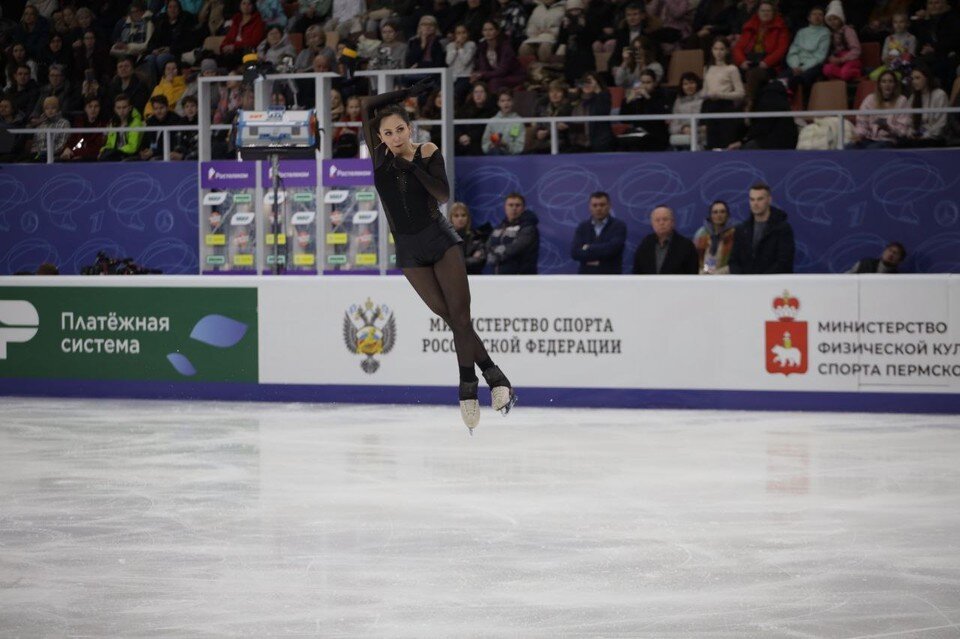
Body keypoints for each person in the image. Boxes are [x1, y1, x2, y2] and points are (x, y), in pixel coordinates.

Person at [361, 78, 516, 431]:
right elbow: (370, 104)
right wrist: (405, 94)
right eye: (388, 132)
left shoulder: (427, 151)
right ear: (380, 136)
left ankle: (467, 390)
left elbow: (443, 194)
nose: (395, 136)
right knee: (449, 318)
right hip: (409, 251)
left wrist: (411, 166)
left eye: (400, 129)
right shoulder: (378, 152)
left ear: (409, 128)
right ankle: (497, 376)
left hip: (441, 240)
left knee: (461, 317)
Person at [728, 182, 795, 274]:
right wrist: (743, 281)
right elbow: (733, 261)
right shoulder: (741, 229)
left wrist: (761, 281)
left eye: (760, 199)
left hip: (774, 284)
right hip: (746, 285)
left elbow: (784, 262)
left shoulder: (782, 228)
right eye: (752, 199)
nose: (755, 203)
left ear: (769, 200)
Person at [732, 0, 791, 100]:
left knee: (753, 73)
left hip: (769, 65)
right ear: (758, 12)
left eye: (768, 11)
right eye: (763, 11)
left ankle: (750, 104)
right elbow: (738, 47)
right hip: (749, 61)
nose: (765, 13)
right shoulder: (750, 26)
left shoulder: (781, 27)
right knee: (731, 70)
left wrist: (766, 62)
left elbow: (781, 50)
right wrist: (742, 61)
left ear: (773, 13)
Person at [846, 70, 910, 149]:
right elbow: (862, 122)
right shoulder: (870, 99)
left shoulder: (902, 100)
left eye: (890, 81)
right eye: (884, 81)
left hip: (889, 140)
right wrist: (859, 135)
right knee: (849, 147)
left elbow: (903, 130)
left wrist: (889, 128)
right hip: (869, 138)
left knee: (873, 149)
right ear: (879, 85)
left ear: (895, 84)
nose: (887, 85)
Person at [701, 37, 745, 149]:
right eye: (716, 49)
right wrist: (705, 95)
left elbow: (740, 93)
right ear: (712, 50)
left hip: (726, 107)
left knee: (726, 142)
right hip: (710, 107)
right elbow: (704, 90)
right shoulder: (707, 68)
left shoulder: (732, 69)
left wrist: (720, 95)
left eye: (721, 49)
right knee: (712, 143)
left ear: (727, 51)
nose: (718, 52)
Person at [571, 191, 627, 274]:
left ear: (609, 206)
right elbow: (575, 253)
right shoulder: (582, 227)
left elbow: (612, 250)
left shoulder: (619, 226)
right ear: (590, 207)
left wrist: (587, 247)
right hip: (586, 278)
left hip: (611, 278)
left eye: (602, 205)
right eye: (595, 205)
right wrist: (602, 254)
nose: (598, 208)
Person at [782, 6, 831, 103]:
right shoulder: (801, 32)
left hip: (813, 65)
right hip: (796, 64)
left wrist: (802, 68)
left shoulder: (825, 32)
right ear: (809, 18)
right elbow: (793, 51)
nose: (817, 17)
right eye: (814, 14)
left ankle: (796, 103)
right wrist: (795, 66)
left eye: (820, 15)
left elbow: (820, 56)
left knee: (800, 79)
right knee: (781, 78)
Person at [632, 206, 698, 275]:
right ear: (652, 224)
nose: (661, 223)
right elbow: (637, 272)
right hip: (649, 285)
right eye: (657, 220)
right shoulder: (645, 244)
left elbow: (692, 273)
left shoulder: (686, 246)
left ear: (673, 222)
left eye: (665, 219)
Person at [486, 192, 540, 275]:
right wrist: (490, 252)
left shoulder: (528, 227)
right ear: (505, 207)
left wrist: (498, 253)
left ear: (523, 208)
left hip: (520, 277)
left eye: (518, 205)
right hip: (497, 277)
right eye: (510, 205)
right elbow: (488, 245)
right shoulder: (499, 227)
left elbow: (517, 247)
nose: (514, 208)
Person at [618, 69, 670, 151]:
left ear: (655, 83)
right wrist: (627, 101)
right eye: (642, 82)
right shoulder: (637, 98)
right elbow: (624, 119)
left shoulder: (661, 95)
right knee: (619, 141)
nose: (644, 86)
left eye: (648, 82)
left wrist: (647, 97)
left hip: (656, 134)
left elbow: (661, 114)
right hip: (638, 132)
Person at [471, 20, 526, 93]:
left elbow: (503, 71)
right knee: (476, 82)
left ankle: (493, 103)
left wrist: (482, 74)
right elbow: (483, 68)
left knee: (494, 82)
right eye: (485, 30)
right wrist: (477, 75)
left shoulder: (505, 47)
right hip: (496, 76)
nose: (488, 32)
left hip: (514, 75)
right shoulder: (482, 46)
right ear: (482, 32)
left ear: (497, 31)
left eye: (491, 29)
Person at [901, 65, 949, 147]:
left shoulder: (940, 94)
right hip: (916, 137)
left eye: (917, 78)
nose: (914, 81)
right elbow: (908, 119)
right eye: (912, 79)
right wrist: (910, 132)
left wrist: (925, 135)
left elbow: (941, 123)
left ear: (927, 78)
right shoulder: (913, 97)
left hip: (933, 137)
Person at [567, 71, 613, 152]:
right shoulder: (577, 100)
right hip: (578, 144)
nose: (587, 84)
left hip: (599, 143)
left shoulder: (603, 97)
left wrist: (597, 89)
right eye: (584, 82)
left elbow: (603, 111)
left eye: (590, 81)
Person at [821, 0, 862, 82]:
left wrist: (841, 59)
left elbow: (856, 50)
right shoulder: (828, 33)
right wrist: (831, 58)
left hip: (851, 59)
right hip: (837, 60)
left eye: (835, 19)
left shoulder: (848, 30)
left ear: (840, 19)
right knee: (826, 69)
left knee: (845, 72)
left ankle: (857, 73)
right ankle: (843, 77)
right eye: (830, 20)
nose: (832, 22)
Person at [692, 200, 735, 274]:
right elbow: (692, 260)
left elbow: (737, 262)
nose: (719, 215)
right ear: (710, 215)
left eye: (722, 212)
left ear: (727, 214)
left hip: (726, 278)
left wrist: (718, 273)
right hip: (703, 278)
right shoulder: (700, 234)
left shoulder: (734, 234)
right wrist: (703, 273)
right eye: (715, 212)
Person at [455, 81, 496, 155]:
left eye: (481, 92)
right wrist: (460, 136)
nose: (478, 95)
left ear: (487, 94)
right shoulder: (465, 109)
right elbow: (456, 125)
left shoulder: (492, 110)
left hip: (479, 141)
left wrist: (470, 137)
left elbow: (485, 128)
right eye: (476, 92)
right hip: (462, 140)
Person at [60, 96, 108, 161]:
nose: (93, 109)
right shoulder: (80, 121)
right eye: (90, 106)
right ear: (85, 108)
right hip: (78, 154)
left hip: (93, 157)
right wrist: (67, 148)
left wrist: (75, 153)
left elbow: (97, 147)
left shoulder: (103, 124)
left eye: (96, 106)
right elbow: (72, 139)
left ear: (100, 108)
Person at [99, 93, 144, 161]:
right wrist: (103, 150)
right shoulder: (113, 123)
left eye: (124, 107)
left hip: (130, 156)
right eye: (118, 108)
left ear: (130, 108)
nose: (121, 111)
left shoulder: (136, 123)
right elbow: (109, 144)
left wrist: (115, 151)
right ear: (115, 109)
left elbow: (132, 147)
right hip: (115, 155)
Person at [532, 79, 572, 153]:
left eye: (558, 91)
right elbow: (536, 124)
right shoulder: (543, 107)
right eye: (551, 92)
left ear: (564, 94)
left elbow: (566, 127)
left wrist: (547, 132)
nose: (554, 94)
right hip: (544, 142)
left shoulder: (569, 108)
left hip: (563, 143)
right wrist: (537, 132)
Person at [481, 89, 526, 155]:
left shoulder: (518, 122)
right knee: (496, 151)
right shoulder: (492, 121)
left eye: (508, 100)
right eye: (502, 101)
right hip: (493, 153)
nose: (506, 103)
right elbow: (485, 144)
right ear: (498, 103)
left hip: (510, 156)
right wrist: (491, 145)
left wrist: (506, 145)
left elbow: (519, 147)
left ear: (513, 102)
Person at [447, 202, 487, 274]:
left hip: (473, 278)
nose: (460, 219)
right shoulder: (445, 239)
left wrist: (457, 263)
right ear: (451, 218)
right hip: (450, 278)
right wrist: (468, 260)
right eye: (456, 216)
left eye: (463, 215)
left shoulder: (476, 237)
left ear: (468, 218)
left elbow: (480, 260)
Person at [140, 94, 183, 160]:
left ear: (167, 107)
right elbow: (145, 142)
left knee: (153, 160)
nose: (159, 111)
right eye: (156, 109)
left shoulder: (175, 121)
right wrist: (143, 151)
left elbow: (172, 145)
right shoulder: (151, 121)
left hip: (168, 155)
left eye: (161, 108)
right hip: (151, 154)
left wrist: (153, 152)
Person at [669, 71, 704, 149]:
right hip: (683, 133)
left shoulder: (704, 100)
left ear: (697, 84)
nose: (689, 86)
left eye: (692, 83)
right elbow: (673, 126)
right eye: (685, 84)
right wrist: (683, 129)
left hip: (700, 133)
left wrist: (695, 129)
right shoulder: (678, 102)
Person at [29, 95, 70, 161]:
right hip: (39, 156)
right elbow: (36, 143)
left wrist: (47, 153)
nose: (50, 111)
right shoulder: (41, 124)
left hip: (56, 156)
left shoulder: (64, 123)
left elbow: (62, 144)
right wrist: (38, 153)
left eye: (53, 108)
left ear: (58, 109)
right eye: (47, 108)